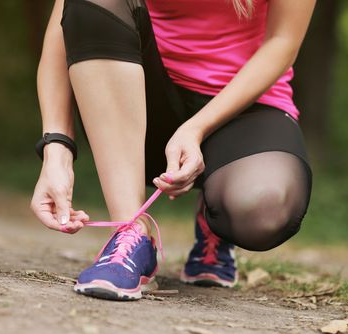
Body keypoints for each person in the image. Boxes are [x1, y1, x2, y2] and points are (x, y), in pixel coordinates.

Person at [30, 0, 315, 301]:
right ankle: (132, 232)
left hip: (246, 106)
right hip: (142, 95)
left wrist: (196, 128)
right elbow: (64, 27)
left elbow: (282, 41)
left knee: (263, 212)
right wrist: (56, 150)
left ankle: (214, 216)